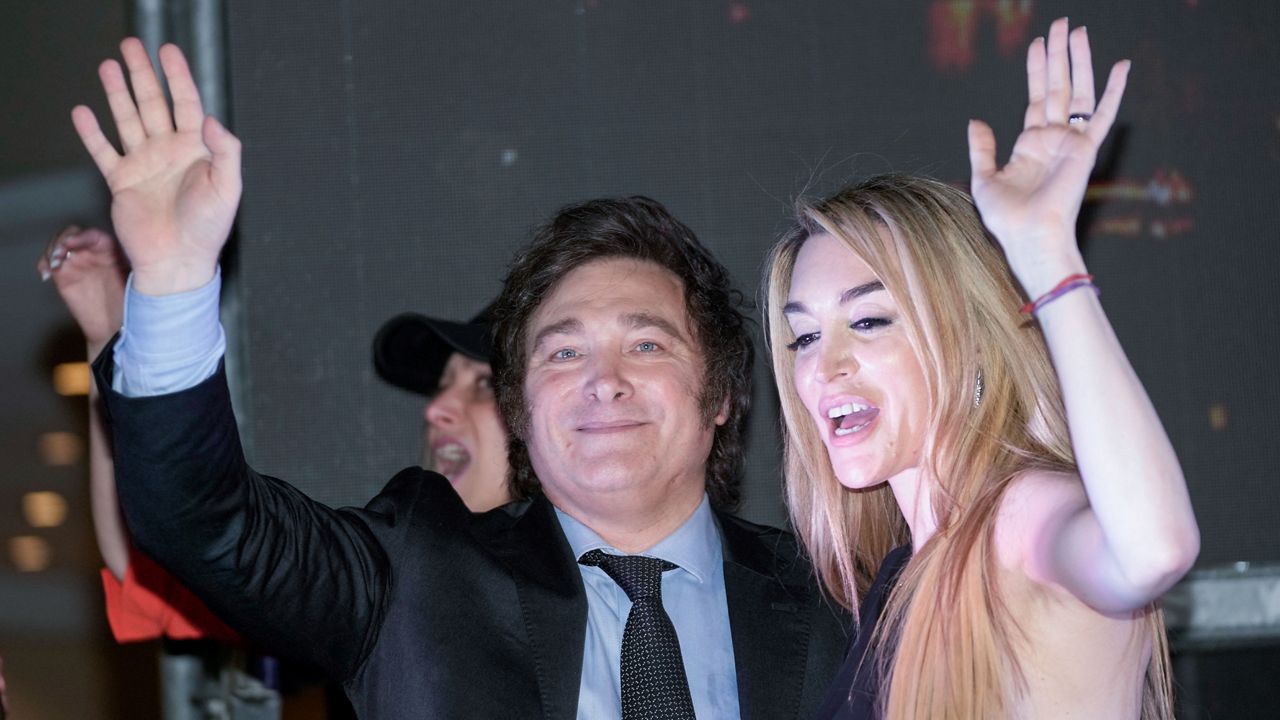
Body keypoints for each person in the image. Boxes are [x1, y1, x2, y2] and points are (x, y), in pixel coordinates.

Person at [70, 38, 846, 718]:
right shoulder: (416, 577)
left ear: (720, 396)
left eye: (646, 346)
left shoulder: (841, 605)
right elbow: (201, 519)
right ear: (522, 409)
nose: (603, 381)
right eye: (563, 353)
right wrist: (172, 277)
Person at [763, 19, 1199, 719]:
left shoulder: (1019, 517)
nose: (826, 367)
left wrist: (1049, 256)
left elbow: (1153, 550)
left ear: (967, 341)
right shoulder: (903, 579)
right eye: (805, 337)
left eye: (869, 321)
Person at [37, 226, 515, 644]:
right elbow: (162, 560)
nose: (435, 409)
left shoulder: (584, 589)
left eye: (484, 385)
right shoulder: (385, 587)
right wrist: (115, 338)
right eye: (441, 385)